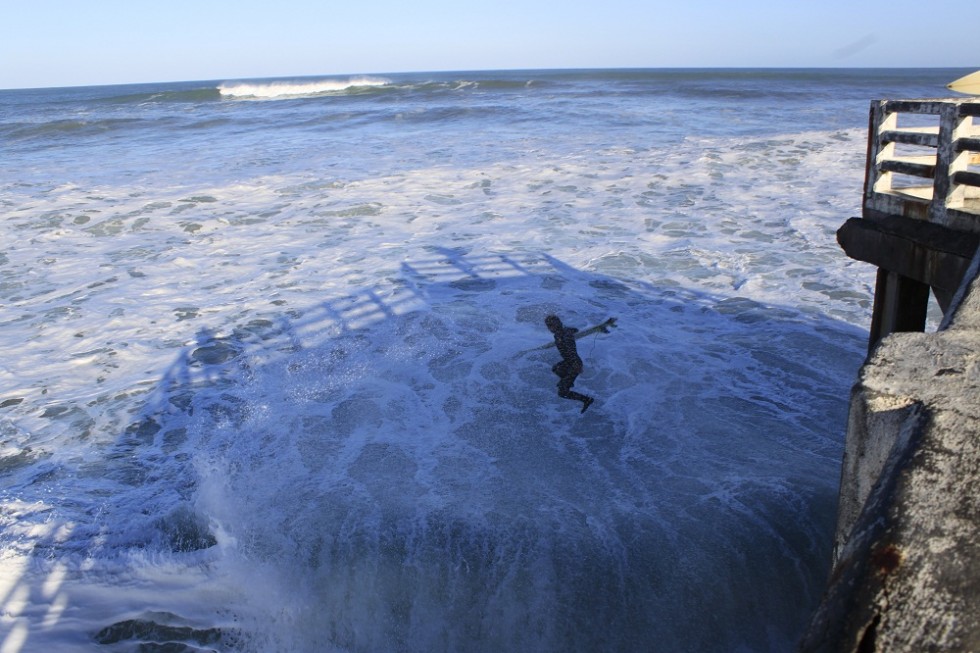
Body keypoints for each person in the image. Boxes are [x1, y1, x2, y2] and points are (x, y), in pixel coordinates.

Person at [544, 315, 595, 413]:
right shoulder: (559, 334)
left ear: (558, 324)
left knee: (562, 392)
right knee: (555, 368)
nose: (550, 328)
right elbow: (574, 330)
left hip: (574, 364)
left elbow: (571, 349)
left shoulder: (565, 335)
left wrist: (576, 364)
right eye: (548, 325)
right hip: (568, 362)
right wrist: (573, 331)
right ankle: (567, 382)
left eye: (551, 325)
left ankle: (587, 400)